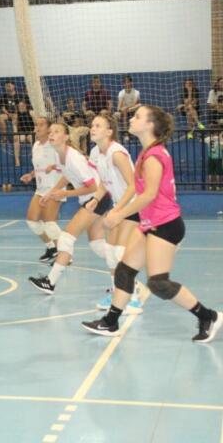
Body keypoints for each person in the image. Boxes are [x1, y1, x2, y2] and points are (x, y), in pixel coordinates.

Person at [82, 106, 222, 342]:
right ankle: (110, 321)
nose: (132, 119)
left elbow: (148, 195)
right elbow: (139, 190)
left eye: (137, 116)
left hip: (166, 226)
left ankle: (207, 316)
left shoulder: (155, 155)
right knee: (125, 271)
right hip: (149, 224)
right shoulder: (147, 153)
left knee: (158, 284)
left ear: (150, 125)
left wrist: (119, 214)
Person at [28, 123, 110, 294]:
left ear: (66, 137)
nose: (51, 134)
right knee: (97, 245)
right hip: (92, 200)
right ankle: (126, 274)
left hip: (97, 199)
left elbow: (93, 187)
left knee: (65, 238)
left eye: (56, 132)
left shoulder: (73, 158)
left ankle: (50, 282)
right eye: (50, 132)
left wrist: (65, 194)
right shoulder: (60, 155)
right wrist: (51, 192)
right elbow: (67, 175)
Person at [86, 114, 142, 313]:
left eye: (98, 125)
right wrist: (94, 199)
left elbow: (134, 185)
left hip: (134, 205)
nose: (93, 128)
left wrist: (118, 210)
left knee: (120, 253)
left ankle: (133, 297)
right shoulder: (95, 153)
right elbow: (104, 183)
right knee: (110, 253)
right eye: (92, 125)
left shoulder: (117, 153)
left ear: (109, 131)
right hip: (120, 205)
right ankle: (118, 292)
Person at [19, 117, 64, 263]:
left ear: (49, 129)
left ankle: (65, 254)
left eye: (41, 125)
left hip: (54, 188)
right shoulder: (36, 145)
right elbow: (39, 166)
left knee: (49, 222)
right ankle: (51, 248)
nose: (37, 127)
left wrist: (55, 167)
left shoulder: (55, 145)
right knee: (32, 221)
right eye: (36, 125)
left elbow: (66, 164)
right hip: (40, 188)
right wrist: (31, 175)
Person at [13, 99, 35, 167]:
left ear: (25, 106)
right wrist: (15, 134)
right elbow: (14, 125)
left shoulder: (31, 112)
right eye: (19, 106)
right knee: (16, 140)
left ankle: (34, 159)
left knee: (32, 139)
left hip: (30, 132)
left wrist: (34, 131)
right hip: (22, 132)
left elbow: (36, 124)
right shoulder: (16, 115)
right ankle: (17, 160)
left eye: (22, 106)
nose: (20, 107)